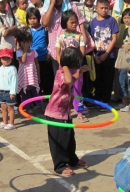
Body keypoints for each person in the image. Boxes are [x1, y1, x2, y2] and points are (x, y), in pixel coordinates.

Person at [44, 47, 89, 176]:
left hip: (65, 113)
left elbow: (72, 80)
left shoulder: (67, 73)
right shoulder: (61, 73)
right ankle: (60, 165)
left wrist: (80, 72)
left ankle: (72, 159)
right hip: (55, 114)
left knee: (69, 139)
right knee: (59, 141)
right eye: (78, 61)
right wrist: (64, 66)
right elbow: (68, 80)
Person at [41, 0, 88, 74]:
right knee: (60, 77)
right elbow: (45, 23)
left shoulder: (71, 6)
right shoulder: (47, 10)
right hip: (57, 50)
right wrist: (52, 4)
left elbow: (81, 22)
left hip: (74, 48)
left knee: (76, 76)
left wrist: (84, 39)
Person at [55, 10, 88, 120]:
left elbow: (82, 51)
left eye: (76, 22)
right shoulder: (60, 36)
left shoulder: (79, 36)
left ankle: (80, 112)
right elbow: (57, 52)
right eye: (72, 22)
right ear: (65, 22)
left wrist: (77, 62)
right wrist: (62, 64)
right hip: (64, 68)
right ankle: (65, 111)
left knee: (77, 90)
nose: (74, 24)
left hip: (76, 67)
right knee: (64, 90)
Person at [89, 0, 119, 106]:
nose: (104, 10)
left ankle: (106, 101)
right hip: (97, 55)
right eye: (101, 8)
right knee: (97, 79)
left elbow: (114, 39)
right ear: (96, 9)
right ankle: (98, 100)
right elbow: (90, 40)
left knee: (108, 79)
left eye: (106, 8)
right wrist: (94, 55)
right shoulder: (93, 22)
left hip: (109, 56)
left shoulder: (112, 21)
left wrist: (106, 54)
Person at [27, 8, 53, 96]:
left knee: (47, 78)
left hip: (44, 58)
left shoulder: (45, 29)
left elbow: (49, 41)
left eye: (34, 18)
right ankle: (38, 98)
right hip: (33, 60)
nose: (32, 21)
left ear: (39, 18)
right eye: (30, 18)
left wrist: (49, 52)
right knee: (36, 79)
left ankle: (48, 96)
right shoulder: (28, 31)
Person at [16, 29, 41, 112]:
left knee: (35, 91)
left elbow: (37, 63)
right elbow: (23, 60)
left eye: (28, 41)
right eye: (23, 42)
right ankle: (27, 107)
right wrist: (25, 51)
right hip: (24, 75)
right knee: (25, 92)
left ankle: (39, 105)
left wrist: (38, 76)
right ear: (19, 42)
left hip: (32, 75)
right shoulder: (19, 52)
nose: (26, 44)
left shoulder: (34, 52)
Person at [118, 8, 130, 112]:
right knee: (122, 79)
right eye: (124, 17)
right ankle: (124, 102)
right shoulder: (126, 30)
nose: (126, 20)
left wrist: (128, 46)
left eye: (129, 17)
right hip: (125, 58)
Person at [0, 48, 18, 130]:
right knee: (3, 108)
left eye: (8, 58)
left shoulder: (13, 68)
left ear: (11, 59)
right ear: (0, 59)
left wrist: (13, 92)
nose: (6, 60)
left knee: (10, 108)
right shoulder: (1, 68)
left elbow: (14, 81)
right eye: (3, 58)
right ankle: (5, 122)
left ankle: (11, 123)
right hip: (2, 92)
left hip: (9, 92)